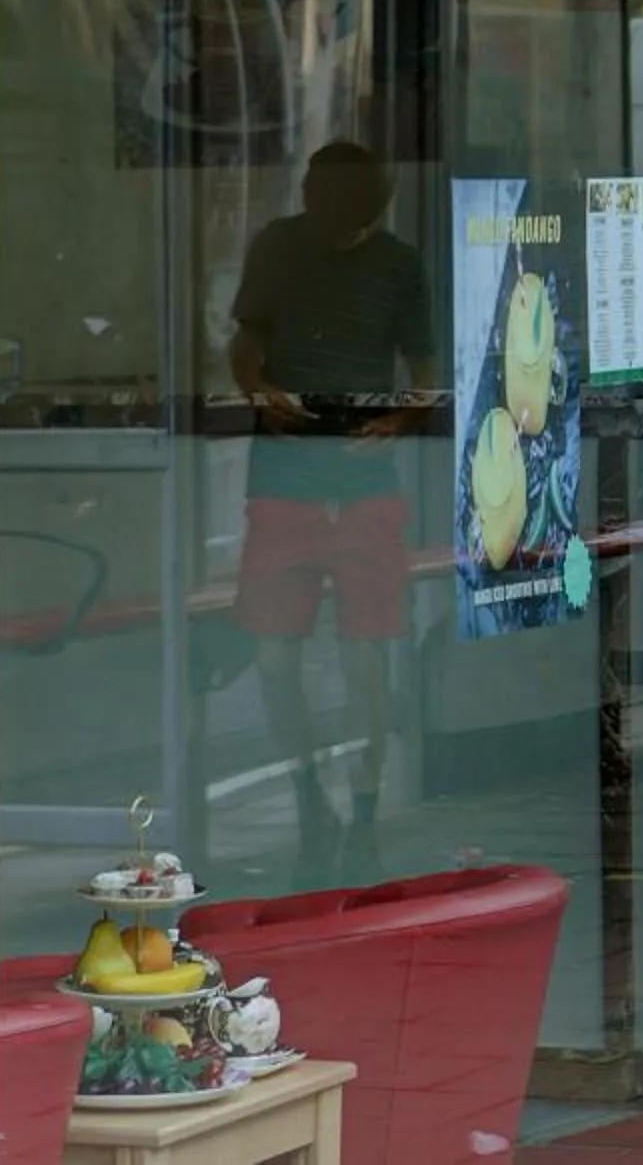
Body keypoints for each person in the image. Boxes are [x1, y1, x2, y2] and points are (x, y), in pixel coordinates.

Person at [231, 142, 434, 879]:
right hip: (285, 478)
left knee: (363, 657)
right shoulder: (279, 248)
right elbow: (245, 339)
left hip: (361, 487)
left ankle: (366, 800)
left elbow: (425, 372)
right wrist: (258, 388)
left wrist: (399, 424)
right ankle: (309, 790)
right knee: (275, 657)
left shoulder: (398, 265)